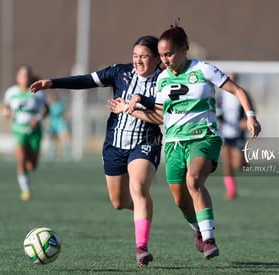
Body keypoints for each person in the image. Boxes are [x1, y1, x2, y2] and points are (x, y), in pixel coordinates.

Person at [109, 24, 261, 260]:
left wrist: (250, 116)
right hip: (173, 144)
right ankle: (199, 232)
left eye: (169, 54)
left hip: (204, 138)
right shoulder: (162, 79)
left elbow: (238, 90)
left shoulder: (203, 69)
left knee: (194, 181)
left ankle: (209, 239)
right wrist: (130, 109)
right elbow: (158, 115)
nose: (165, 60)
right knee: (180, 200)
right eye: (161, 55)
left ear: (184, 49)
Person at [29, 35, 163, 266]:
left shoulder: (164, 79)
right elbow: (86, 80)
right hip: (114, 145)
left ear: (157, 58)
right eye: (135, 56)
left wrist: (134, 107)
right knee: (118, 202)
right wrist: (51, 83)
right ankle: (141, 210)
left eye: (144, 57)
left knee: (139, 187)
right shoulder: (120, 72)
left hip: (146, 142)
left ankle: (141, 248)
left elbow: (163, 114)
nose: (138, 61)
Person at [3, 65, 49, 201]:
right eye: (22, 75)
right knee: (21, 159)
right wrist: (6, 112)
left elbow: (46, 110)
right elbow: (6, 107)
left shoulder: (38, 92)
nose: (25, 77)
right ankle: (25, 190)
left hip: (34, 132)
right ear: (17, 77)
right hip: (18, 130)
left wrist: (38, 118)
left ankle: (26, 173)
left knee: (31, 165)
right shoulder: (11, 92)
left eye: (27, 75)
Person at [216, 73, 248, 200]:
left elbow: (250, 110)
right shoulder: (221, 97)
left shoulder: (241, 94)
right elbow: (216, 111)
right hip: (224, 133)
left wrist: (246, 120)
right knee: (227, 164)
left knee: (237, 164)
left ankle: (244, 162)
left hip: (238, 134)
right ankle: (231, 190)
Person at [46, 92, 72, 161]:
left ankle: (68, 156)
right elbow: (47, 114)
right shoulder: (49, 105)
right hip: (53, 124)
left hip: (61, 124)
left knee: (65, 139)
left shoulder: (60, 104)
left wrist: (67, 121)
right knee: (52, 140)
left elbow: (64, 114)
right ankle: (50, 156)